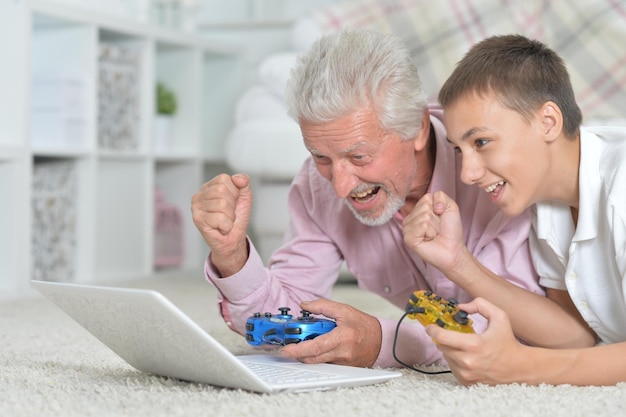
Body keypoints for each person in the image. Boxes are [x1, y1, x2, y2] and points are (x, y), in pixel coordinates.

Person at [191, 29, 545, 369]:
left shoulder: (492, 176)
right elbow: (282, 323)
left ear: (418, 129)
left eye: (359, 156)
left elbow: (513, 332)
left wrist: (383, 342)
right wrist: (233, 257)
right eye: (321, 157)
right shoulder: (317, 186)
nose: (341, 187)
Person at [404, 33, 624, 385]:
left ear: (548, 122)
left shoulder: (621, 183)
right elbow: (575, 335)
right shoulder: (547, 202)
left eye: (482, 142)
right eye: (460, 150)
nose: (467, 173)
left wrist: (519, 366)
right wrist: (457, 263)